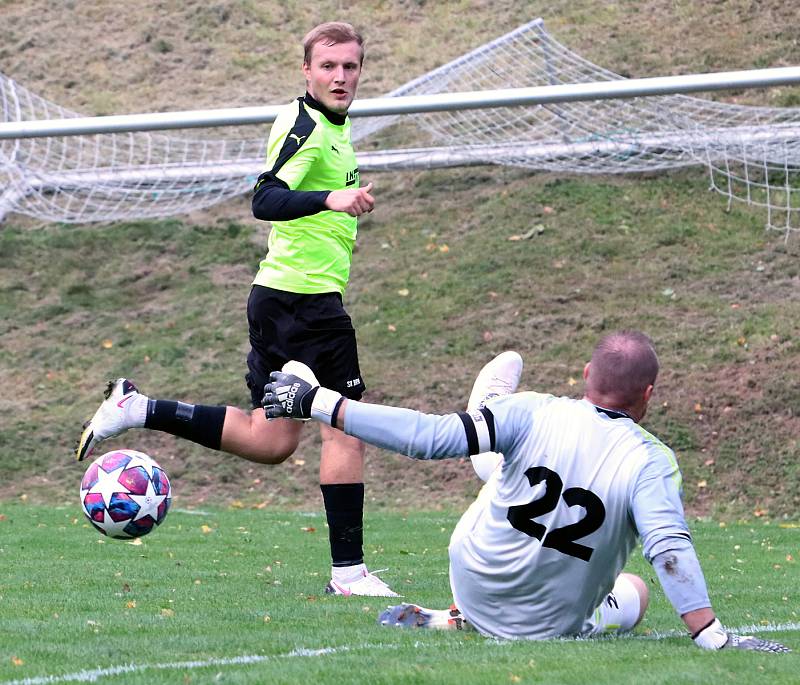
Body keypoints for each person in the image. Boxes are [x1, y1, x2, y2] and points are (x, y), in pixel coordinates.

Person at [75, 21, 397, 598]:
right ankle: (349, 574)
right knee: (344, 426)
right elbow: (265, 198)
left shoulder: (334, 128)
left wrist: (337, 202)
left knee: (270, 441)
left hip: (283, 299)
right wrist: (333, 198)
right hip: (304, 301)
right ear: (307, 70)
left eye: (350, 66)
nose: (341, 76)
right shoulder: (305, 125)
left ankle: (139, 407)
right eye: (328, 66)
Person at [262, 331, 791, 651]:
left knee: (497, 468)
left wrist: (320, 402)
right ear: (648, 394)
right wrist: (710, 634)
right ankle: (491, 459)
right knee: (636, 590)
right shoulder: (652, 460)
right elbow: (669, 550)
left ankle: (489, 458)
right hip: (548, 624)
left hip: (473, 577)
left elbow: (426, 436)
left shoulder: (536, 408)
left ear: (586, 374)